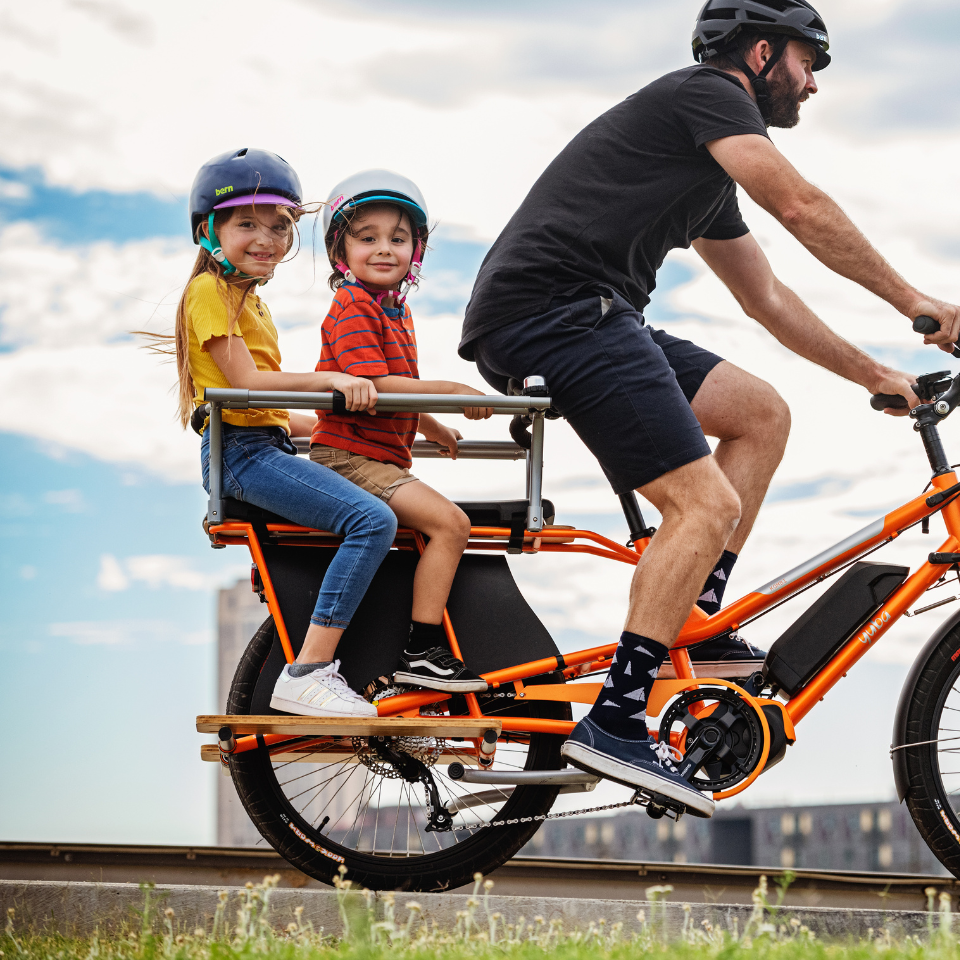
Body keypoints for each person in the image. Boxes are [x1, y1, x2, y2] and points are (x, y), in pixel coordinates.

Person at [459, 0, 960, 818]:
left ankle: (693, 617)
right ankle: (617, 717)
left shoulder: (705, 171)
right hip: (554, 311)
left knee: (762, 414)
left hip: (593, 313)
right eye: (808, 62)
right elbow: (801, 207)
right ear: (760, 53)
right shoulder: (705, 96)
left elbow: (765, 298)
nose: (813, 83)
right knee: (704, 503)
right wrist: (917, 300)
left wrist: (878, 373)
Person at [165, 147, 400, 719]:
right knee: (372, 520)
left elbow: (274, 409)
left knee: (381, 502)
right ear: (208, 230)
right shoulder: (209, 295)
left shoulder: (250, 301)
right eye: (247, 223)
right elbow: (249, 384)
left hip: (261, 444)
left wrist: (339, 421)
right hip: (243, 457)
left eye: (280, 226)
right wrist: (333, 379)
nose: (266, 238)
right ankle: (310, 673)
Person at [310, 170, 493, 694]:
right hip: (348, 458)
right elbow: (370, 384)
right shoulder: (353, 303)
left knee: (446, 526)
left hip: (379, 458)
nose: (384, 248)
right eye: (367, 238)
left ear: (416, 250)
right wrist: (451, 391)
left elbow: (397, 386)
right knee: (452, 525)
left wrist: (429, 423)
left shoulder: (396, 309)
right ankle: (422, 650)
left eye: (398, 237)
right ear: (341, 251)